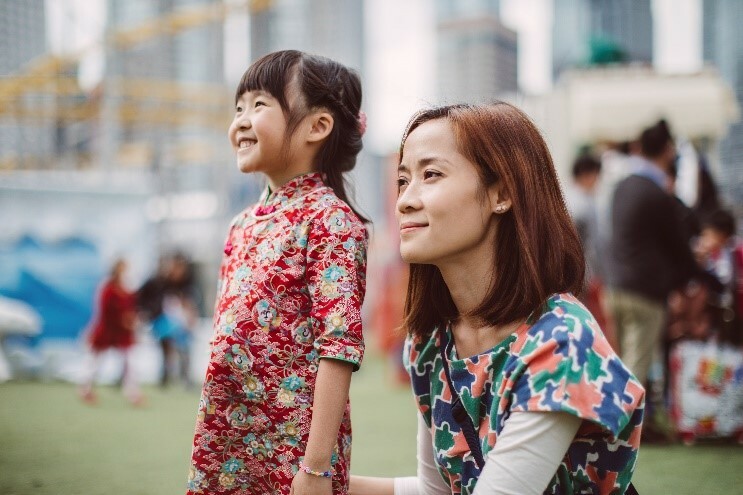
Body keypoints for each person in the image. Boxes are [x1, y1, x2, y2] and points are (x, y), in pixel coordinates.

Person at [350, 103, 644, 495]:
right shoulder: (431, 343)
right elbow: (437, 490)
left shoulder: (559, 341)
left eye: (431, 174)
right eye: (403, 180)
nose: (405, 199)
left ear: (501, 193)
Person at [187, 50, 368, 495]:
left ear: (317, 126)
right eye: (238, 107)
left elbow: (338, 347)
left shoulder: (331, 221)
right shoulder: (240, 225)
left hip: (291, 456)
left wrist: (316, 468)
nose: (242, 120)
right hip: (223, 442)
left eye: (260, 104)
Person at [606, 120, 700, 386]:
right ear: (668, 150)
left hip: (616, 286)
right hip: (644, 292)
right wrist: (696, 275)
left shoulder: (622, 186)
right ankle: (625, 428)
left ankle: (624, 424)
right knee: (637, 368)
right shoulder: (656, 193)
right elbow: (678, 245)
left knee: (622, 364)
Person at [78, 258, 143, 406]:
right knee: (95, 361)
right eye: (123, 268)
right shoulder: (107, 288)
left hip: (124, 332)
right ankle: (85, 389)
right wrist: (123, 320)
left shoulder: (129, 289)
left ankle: (133, 393)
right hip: (107, 329)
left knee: (131, 362)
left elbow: (133, 308)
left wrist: (132, 321)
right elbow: (104, 310)